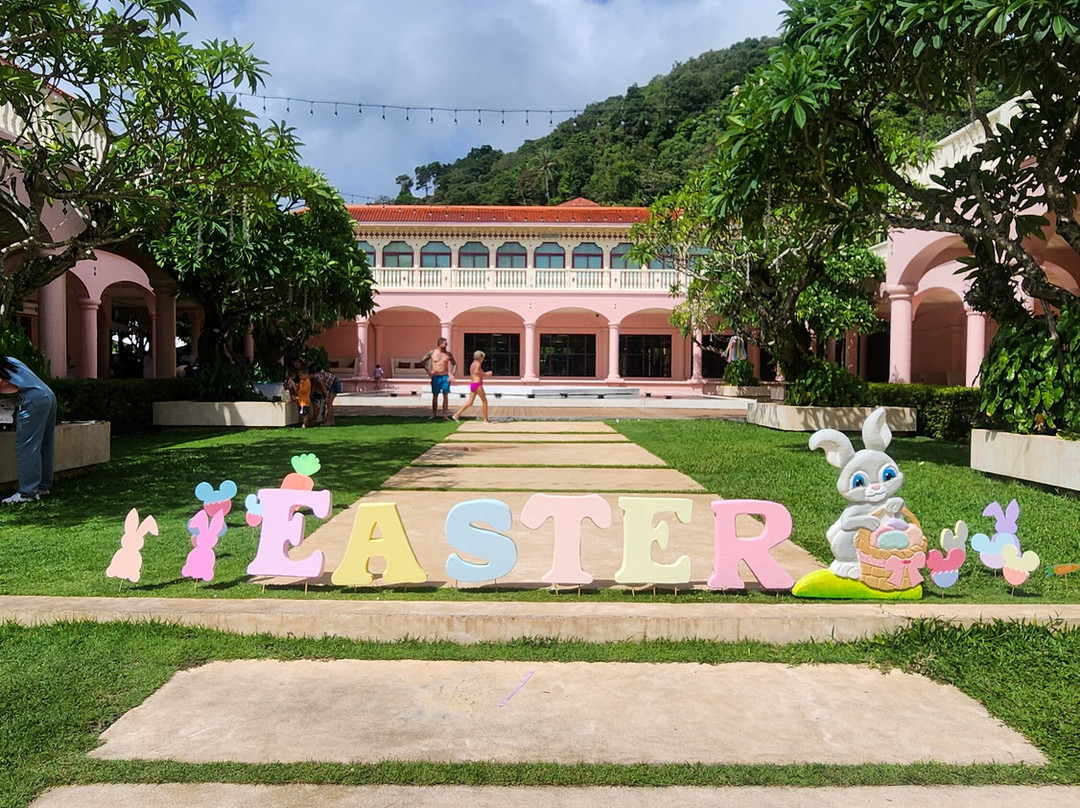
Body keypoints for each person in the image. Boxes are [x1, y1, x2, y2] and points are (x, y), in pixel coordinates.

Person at [0, 355, 57, 503]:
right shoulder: (9, 360)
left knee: (26, 446)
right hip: (48, 396)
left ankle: (27, 492)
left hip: (32, 400)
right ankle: (42, 487)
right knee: (45, 444)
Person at [452, 350, 493, 423]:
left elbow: (477, 372)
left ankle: (457, 414)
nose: (483, 359)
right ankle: (485, 419)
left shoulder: (473, 364)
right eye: (482, 357)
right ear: (480, 357)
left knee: (470, 402)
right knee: (484, 401)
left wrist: (485, 373)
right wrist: (486, 374)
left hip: (473, 384)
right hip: (477, 384)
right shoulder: (478, 364)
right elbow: (476, 372)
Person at [421, 337, 457, 419]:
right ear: (440, 344)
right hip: (436, 376)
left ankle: (445, 414)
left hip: (445, 376)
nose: (446, 345)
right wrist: (428, 370)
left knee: (445, 395)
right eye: (445, 344)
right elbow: (422, 361)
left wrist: (452, 374)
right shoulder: (432, 353)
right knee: (435, 395)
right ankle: (434, 414)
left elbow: (454, 364)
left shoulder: (448, 354)